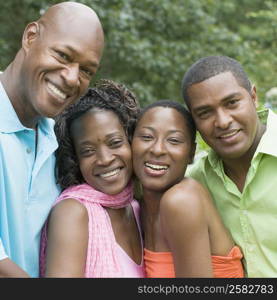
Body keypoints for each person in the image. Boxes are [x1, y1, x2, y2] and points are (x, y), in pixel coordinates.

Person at [0, 2, 104, 277]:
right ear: (30, 37)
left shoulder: (60, 144)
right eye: (62, 55)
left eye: (86, 71)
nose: (71, 78)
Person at [182, 55, 277, 277]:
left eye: (232, 103)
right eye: (205, 113)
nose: (223, 121)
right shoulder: (195, 183)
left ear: (253, 97)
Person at [39, 79, 145, 278]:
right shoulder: (72, 213)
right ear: (75, 159)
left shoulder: (137, 207)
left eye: (114, 143)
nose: (104, 159)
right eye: (87, 151)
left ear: (131, 140)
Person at [131, 100, 244, 278]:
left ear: (191, 153)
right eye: (146, 137)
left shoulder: (181, 200)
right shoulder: (138, 205)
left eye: (174, 140)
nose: (158, 149)